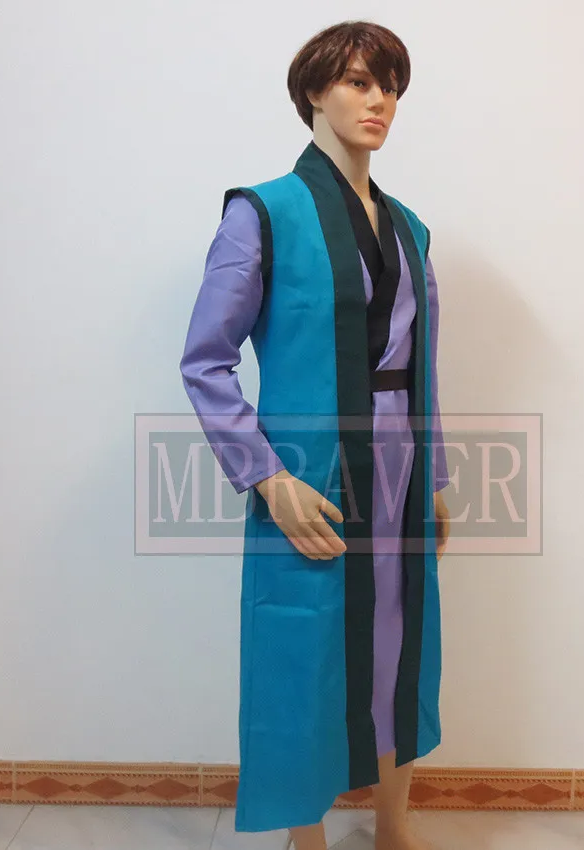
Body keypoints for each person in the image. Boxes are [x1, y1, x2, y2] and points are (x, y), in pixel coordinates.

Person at [180, 20, 451, 850]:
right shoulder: (262, 214)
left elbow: (423, 364)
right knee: (304, 647)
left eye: (391, 87)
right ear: (313, 92)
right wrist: (266, 476)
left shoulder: (410, 228)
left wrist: (437, 476)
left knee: (399, 643)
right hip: (309, 473)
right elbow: (206, 361)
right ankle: (308, 838)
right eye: (361, 82)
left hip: (400, 471)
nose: (380, 101)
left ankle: (393, 826)